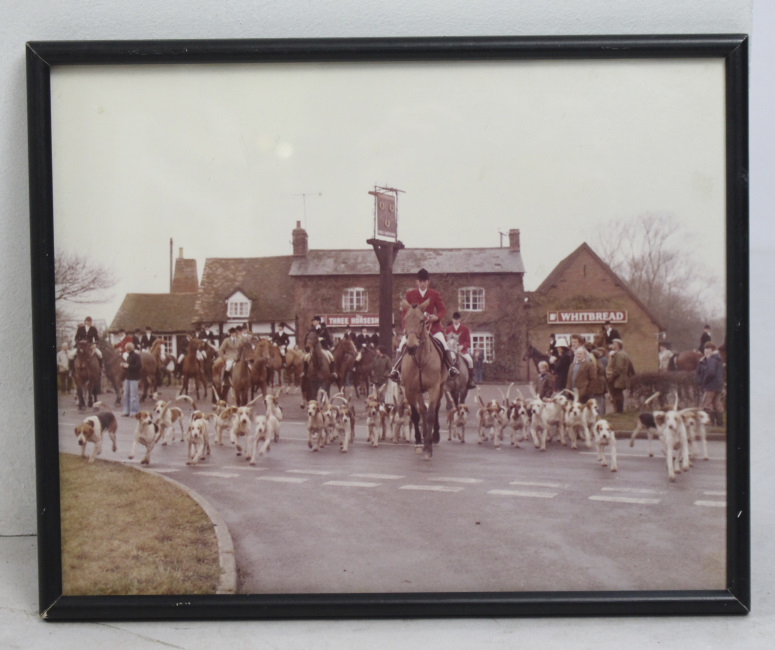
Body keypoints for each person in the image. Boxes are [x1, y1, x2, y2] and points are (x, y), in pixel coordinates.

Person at [388, 268, 459, 382]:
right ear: (417, 282)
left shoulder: (435, 294)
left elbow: (442, 310)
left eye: (424, 281)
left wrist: (436, 317)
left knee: (444, 343)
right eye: (420, 281)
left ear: (428, 282)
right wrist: (405, 327)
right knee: (402, 344)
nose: (422, 283)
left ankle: (451, 368)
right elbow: (404, 313)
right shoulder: (410, 294)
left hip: (433, 327)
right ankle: (395, 370)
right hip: (414, 328)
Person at [445, 311, 476, 389]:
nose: (455, 321)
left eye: (457, 319)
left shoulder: (465, 329)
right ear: (452, 319)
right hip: (451, 351)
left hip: (462, 351)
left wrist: (462, 346)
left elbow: (468, 342)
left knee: (470, 361)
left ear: (460, 320)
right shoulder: (448, 329)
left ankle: (471, 380)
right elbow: (445, 340)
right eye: (454, 319)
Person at [697, 341, 725, 426]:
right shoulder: (717, 358)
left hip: (711, 385)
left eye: (708, 349)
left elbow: (711, 372)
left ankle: (709, 423)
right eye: (705, 348)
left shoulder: (712, 359)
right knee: (717, 403)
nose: (706, 350)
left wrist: (704, 381)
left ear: (712, 350)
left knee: (707, 403)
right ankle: (720, 423)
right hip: (718, 385)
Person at [606, 339, 633, 414]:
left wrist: (612, 376)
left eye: (614, 344)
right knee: (618, 394)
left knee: (617, 395)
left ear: (618, 345)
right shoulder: (622, 353)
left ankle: (619, 411)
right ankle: (618, 411)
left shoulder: (619, 354)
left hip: (619, 378)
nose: (612, 345)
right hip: (621, 377)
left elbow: (619, 368)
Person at [121, 342, 142, 417]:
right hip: (128, 377)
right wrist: (124, 366)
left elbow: (139, 366)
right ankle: (126, 410)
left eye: (127, 349)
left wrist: (128, 366)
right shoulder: (128, 356)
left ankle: (134, 411)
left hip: (134, 378)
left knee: (133, 395)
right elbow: (128, 366)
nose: (126, 350)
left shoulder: (136, 356)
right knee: (126, 394)